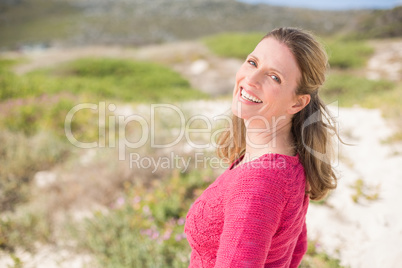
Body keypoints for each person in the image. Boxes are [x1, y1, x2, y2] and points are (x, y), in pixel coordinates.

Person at [184, 27, 339, 267]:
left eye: (274, 77)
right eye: (253, 62)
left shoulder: (260, 182)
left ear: (297, 102)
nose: (251, 79)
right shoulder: (290, 162)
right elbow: (295, 251)